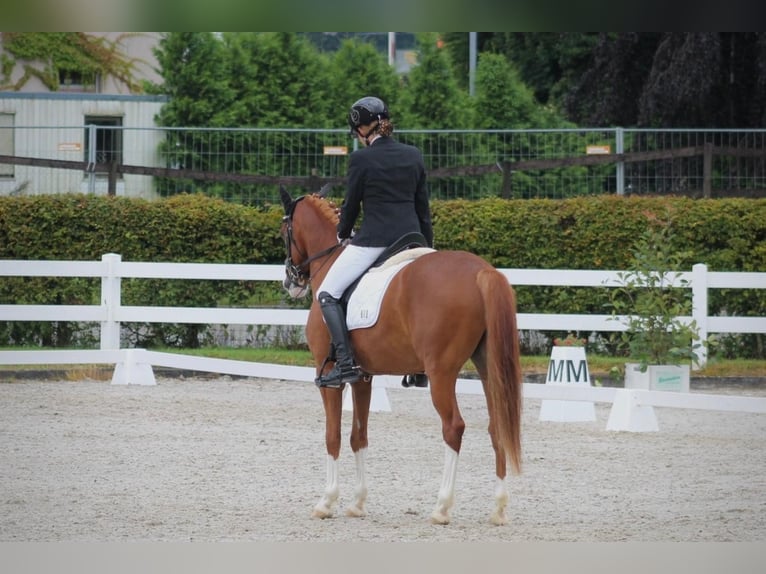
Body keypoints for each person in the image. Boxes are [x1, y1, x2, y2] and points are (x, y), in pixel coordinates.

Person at [315, 96, 433, 388]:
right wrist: (426, 248)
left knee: (328, 292)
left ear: (362, 129)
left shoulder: (360, 159)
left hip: (375, 241)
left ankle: (344, 364)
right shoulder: (413, 155)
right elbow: (423, 209)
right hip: (412, 240)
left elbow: (351, 205)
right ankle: (419, 368)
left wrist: (343, 233)